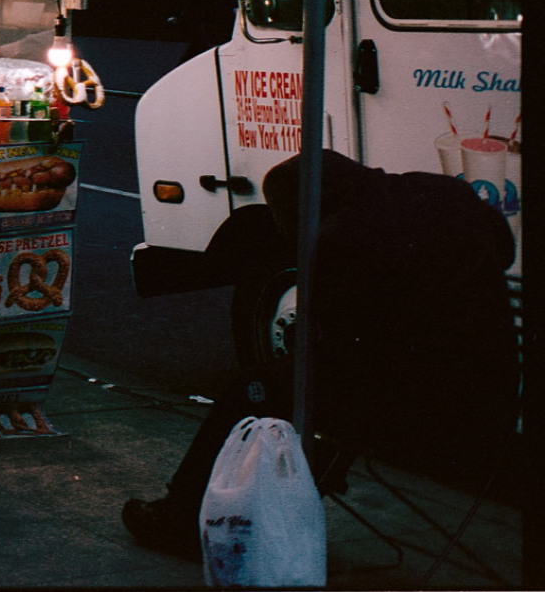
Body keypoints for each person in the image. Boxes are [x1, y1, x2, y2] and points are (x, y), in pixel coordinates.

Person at [122, 149, 519, 558]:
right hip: (496, 384)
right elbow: (504, 253)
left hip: (422, 408)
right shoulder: (441, 189)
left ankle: (181, 517)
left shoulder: (338, 238)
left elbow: (335, 348)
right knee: (318, 381)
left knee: (256, 389)